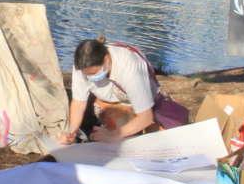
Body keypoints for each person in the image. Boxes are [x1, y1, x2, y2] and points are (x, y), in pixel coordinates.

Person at [57, 38, 188, 143]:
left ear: (106, 60)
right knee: (112, 142)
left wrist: (113, 135)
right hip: (111, 102)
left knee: (164, 143)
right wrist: (71, 132)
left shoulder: (129, 67)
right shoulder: (81, 65)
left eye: (94, 73)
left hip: (144, 105)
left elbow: (146, 117)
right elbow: (79, 102)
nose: (90, 77)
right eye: (87, 75)